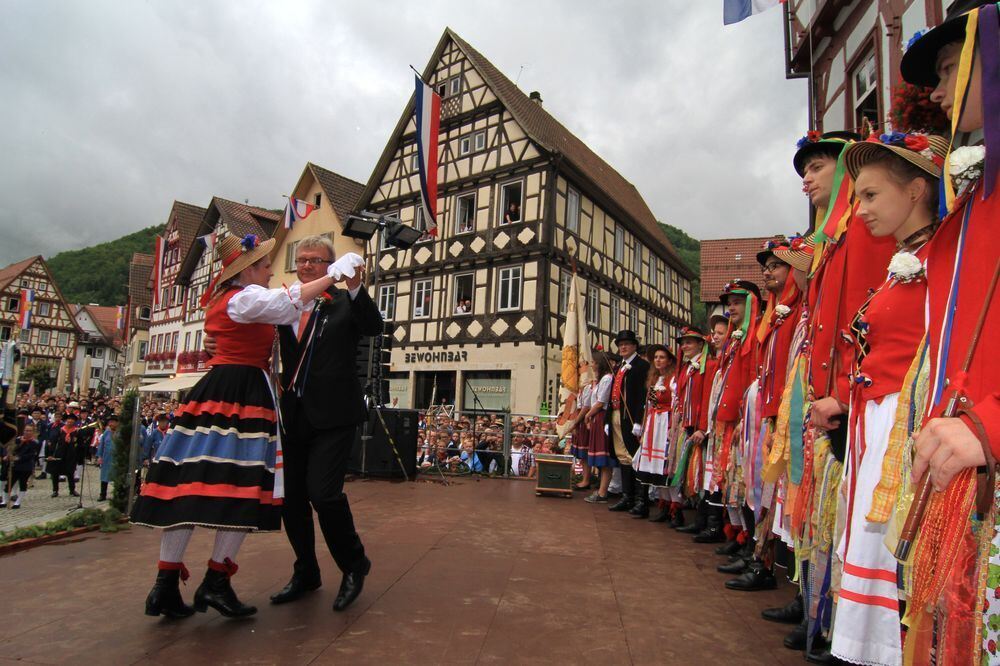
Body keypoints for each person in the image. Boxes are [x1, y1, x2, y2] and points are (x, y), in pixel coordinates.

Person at [131, 233, 356, 620]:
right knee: (239, 486)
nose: (271, 270)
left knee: (195, 483)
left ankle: (168, 585)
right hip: (240, 393)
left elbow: (290, 309)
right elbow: (285, 302)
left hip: (223, 390)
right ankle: (211, 582)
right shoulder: (243, 298)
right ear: (247, 270)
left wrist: (337, 287)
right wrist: (333, 273)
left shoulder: (232, 302)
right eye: (265, 265)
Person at [898, 4, 999, 662]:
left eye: (949, 67)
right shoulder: (975, 204)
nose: (934, 91)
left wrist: (990, 425)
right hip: (959, 469)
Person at [826, 132, 948, 666]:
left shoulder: (944, 258)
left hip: (905, 423)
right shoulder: (907, 261)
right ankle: (865, 649)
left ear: (918, 189)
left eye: (871, 195)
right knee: (869, 544)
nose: (862, 209)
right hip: (875, 423)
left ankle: (883, 651)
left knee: (890, 551)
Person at [267, 234, 383, 613]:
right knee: (292, 499)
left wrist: (354, 286)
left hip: (335, 415)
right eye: (301, 260)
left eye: (316, 260)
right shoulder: (289, 303)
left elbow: (373, 326)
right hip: (295, 414)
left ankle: (354, 565)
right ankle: (306, 571)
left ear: (330, 265)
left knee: (324, 493)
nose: (306, 266)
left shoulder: (343, 304)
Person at [606, 330, 651, 516]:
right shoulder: (619, 366)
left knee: (635, 456)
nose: (623, 347)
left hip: (631, 417)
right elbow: (612, 393)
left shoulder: (641, 366)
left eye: (627, 344)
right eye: (620, 344)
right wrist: (608, 418)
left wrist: (639, 420)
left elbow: (643, 395)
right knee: (622, 455)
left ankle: (641, 500)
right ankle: (627, 496)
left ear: (634, 346)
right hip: (617, 414)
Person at [632, 344, 676, 520]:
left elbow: (676, 404)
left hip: (665, 422)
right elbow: (648, 405)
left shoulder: (673, 380)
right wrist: (642, 426)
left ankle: (674, 510)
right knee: (652, 465)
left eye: (662, 357)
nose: (658, 360)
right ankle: (661, 506)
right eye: (656, 357)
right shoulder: (654, 379)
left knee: (664, 466)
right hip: (653, 424)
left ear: (669, 360)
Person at [583, 352, 617, 504]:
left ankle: (603, 492)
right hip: (597, 417)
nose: (591, 364)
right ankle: (602, 489)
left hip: (602, 417)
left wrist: (587, 415)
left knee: (605, 457)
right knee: (600, 457)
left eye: (594, 362)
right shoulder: (600, 379)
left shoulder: (607, 379)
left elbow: (601, 402)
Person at [568, 356, 594, 491]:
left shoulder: (588, 387)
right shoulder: (581, 388)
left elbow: (585, 407)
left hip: (584, 420)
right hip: (579, 419)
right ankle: (584, 478)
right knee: (581, 453)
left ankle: (586, 479)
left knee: (585, 452)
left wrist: (576, 422)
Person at [2, 423, 40, 509]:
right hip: (15, 466)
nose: (27, 432)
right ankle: (4, 501)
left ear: (33, 432)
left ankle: (18, 502)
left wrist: (18, 458)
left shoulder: (35, 442)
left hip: (26, 466)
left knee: (23, 484)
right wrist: (8, 456)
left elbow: (31, 455)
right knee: (9, 483)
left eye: (30, 431)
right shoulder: (18, 439)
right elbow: (11, 449)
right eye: (26, 430)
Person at [47, 412, 79, 497]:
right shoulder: (60, 429)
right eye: (68, 419)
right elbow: (53, 442)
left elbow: (79, 443)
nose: (70, 421)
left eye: (72, 420)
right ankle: (55, 490)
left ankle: (72, 490)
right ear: (66, 420)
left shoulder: (77, 431)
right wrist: (51, 453)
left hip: (71, 454)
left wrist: (72, 442)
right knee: (55, 473)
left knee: (70, 473)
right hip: (59, 453)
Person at [96, 413, 119, 502]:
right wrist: (99, 456)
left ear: (117, 423)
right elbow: (102, 444)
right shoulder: (106, 432)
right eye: (109, 422)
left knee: (117, 477)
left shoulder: (121, 432)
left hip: (117, 458)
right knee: (104, 477)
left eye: (113, 422)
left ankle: (116, 494)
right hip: (106, 457)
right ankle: (103, 494)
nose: (110, 424)